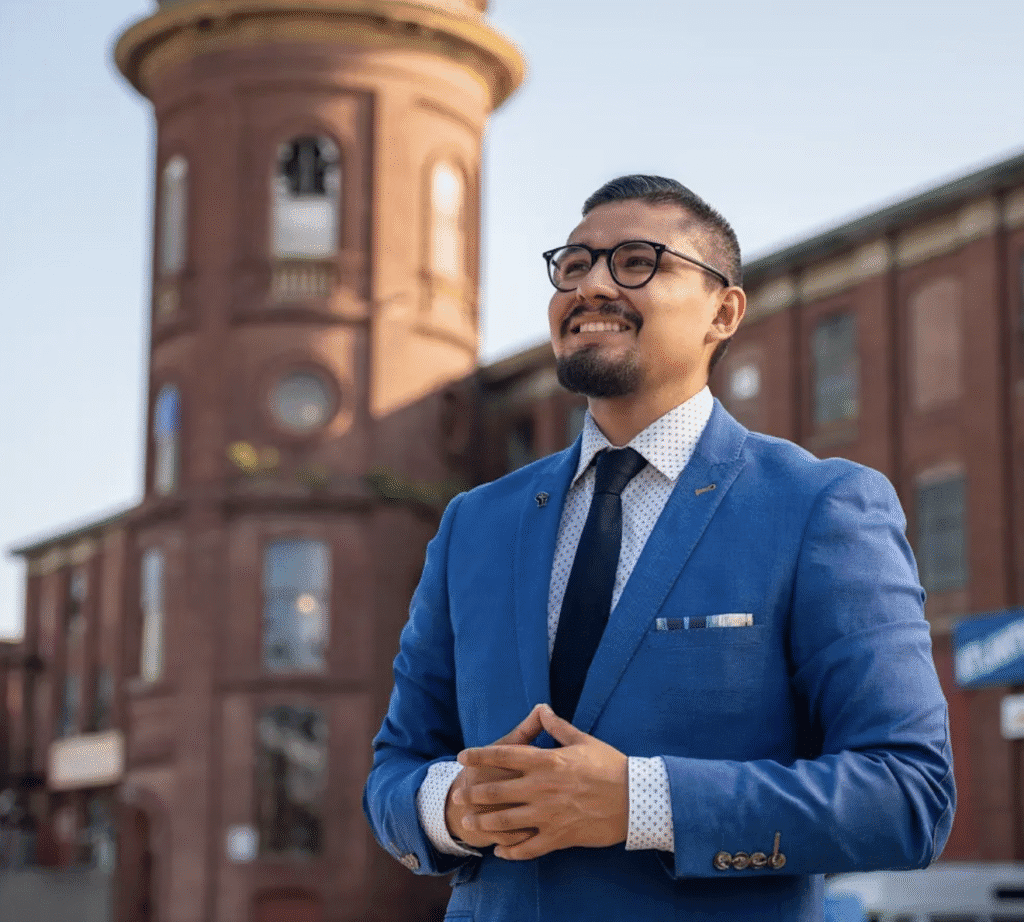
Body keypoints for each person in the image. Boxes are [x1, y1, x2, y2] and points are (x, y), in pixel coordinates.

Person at [363, 175, 955, 921]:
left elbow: (909, 797)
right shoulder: (474, 523)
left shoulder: (820, 506)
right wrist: (449, 807)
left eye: (637, 261)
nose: (592, 285)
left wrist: (642, 802)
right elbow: (396, 767)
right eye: (574, 266)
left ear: (724, 310)